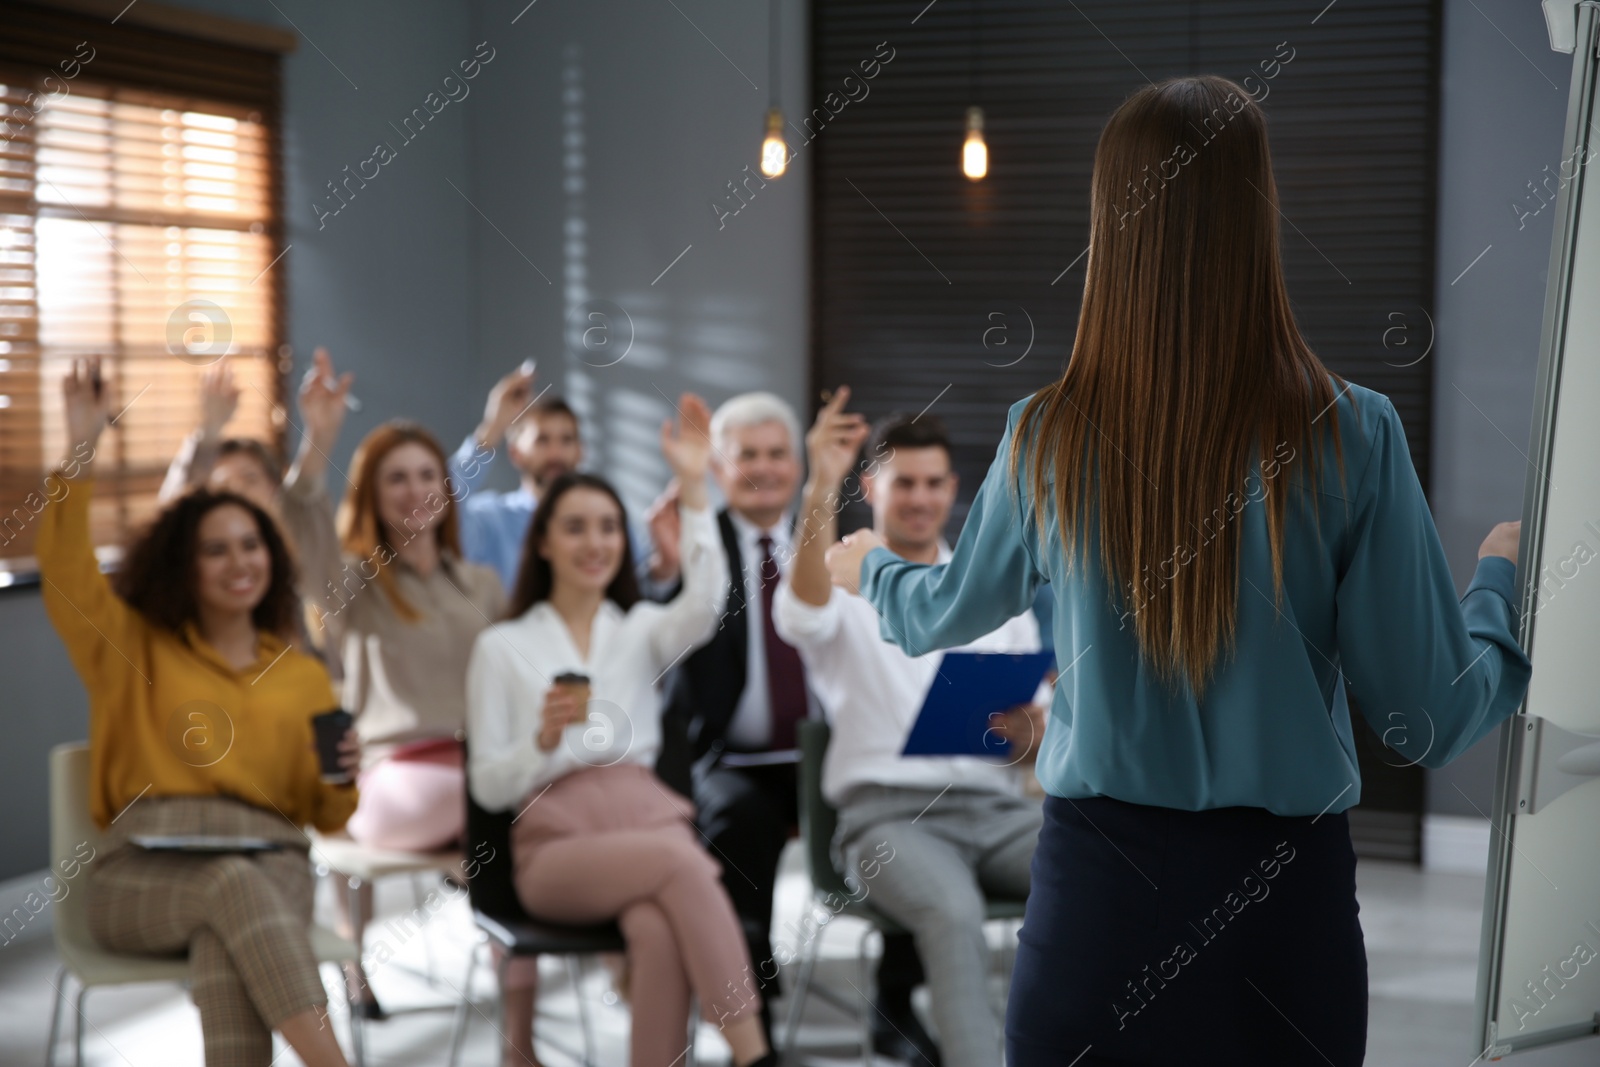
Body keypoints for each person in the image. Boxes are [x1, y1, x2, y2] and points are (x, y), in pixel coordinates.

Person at [823, 76, 1533, 1067]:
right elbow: (1434, 713)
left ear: (1112, 225)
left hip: (1094, 904)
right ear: (1259, 214)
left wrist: (870, 572)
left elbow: (937, 609)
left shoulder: (1047, 433)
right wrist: (1498, 585)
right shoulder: (1353, 431)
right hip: (1283, 913)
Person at [39, 358, 362, 1067]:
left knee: (228, 935)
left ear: (273, 559)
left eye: (250, 545)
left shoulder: (304, 676)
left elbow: (330, 815)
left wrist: (342, 777)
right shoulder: (130, 646)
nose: (237, 561)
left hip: (271, 866)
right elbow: (64, 567)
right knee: (229, 891)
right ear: (182, 565)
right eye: (214, 549)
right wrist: (82, 444)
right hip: (137, 880)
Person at [466, 393, 778, 1067]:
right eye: (576, 527)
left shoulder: (639, 631)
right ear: (543, 540)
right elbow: (489, 786)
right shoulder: (502, 646)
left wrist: (695, 486)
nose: (596, 542)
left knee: (657, 929)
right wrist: (541, 744)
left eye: (609, 527)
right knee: (682, 864)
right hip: (558, 845)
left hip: (647, 818)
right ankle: (758, 1055)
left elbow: (706, 600)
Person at [653, 391, 934, 1059]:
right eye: (746, 454)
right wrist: (666, 571)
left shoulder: (830, 544)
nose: (764, 467)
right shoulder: (694, 543)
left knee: (901, 821)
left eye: (778, 453)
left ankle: (895, 1001)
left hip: (834, 756)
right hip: (735, 759)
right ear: (718, 466)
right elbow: (660, 637)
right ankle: (757, 1023)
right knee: (737, 826)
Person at [775, 398, 1048, 1067]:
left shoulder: (993, 595)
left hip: (997, 809)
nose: (921, 498)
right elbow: (800, 611)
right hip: (885, 820)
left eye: (934, 483)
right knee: (953, 912)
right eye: (905, 483)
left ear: (953, 489)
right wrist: (818, 486)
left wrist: (1029, 729)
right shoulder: (842, 582)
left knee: (1096, 876)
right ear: (871, 490)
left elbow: (1034, 740)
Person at [279, 350, 516, 1025]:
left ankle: (512, 965)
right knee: (507, 805)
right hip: (393, 778)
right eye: (395, 479)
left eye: (425, 475)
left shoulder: (480, 584)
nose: (415, 491)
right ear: (372, 495)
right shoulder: (352, 581)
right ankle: (357, 969)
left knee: (526, 792)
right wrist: (317, 438)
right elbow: (301, 531)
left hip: (477, 765)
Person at [159, 355, 349, 676]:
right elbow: (171, 514)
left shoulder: (293, 534)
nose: (240, 495)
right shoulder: (198, 565)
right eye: (224, 486)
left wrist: (320, 432)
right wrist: (209, 430)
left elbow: (304, 491)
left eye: (250, 479)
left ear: (274, 489)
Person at [446, 367, 678, 597]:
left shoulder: (609, 521)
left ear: (580, 452)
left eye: (566, 440)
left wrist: (665, 566)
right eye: (542, 440)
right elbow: (437, 504)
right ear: (516, 453)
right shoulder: (490, 520)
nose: (556, 454)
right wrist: (491, 431)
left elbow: (636, 594)